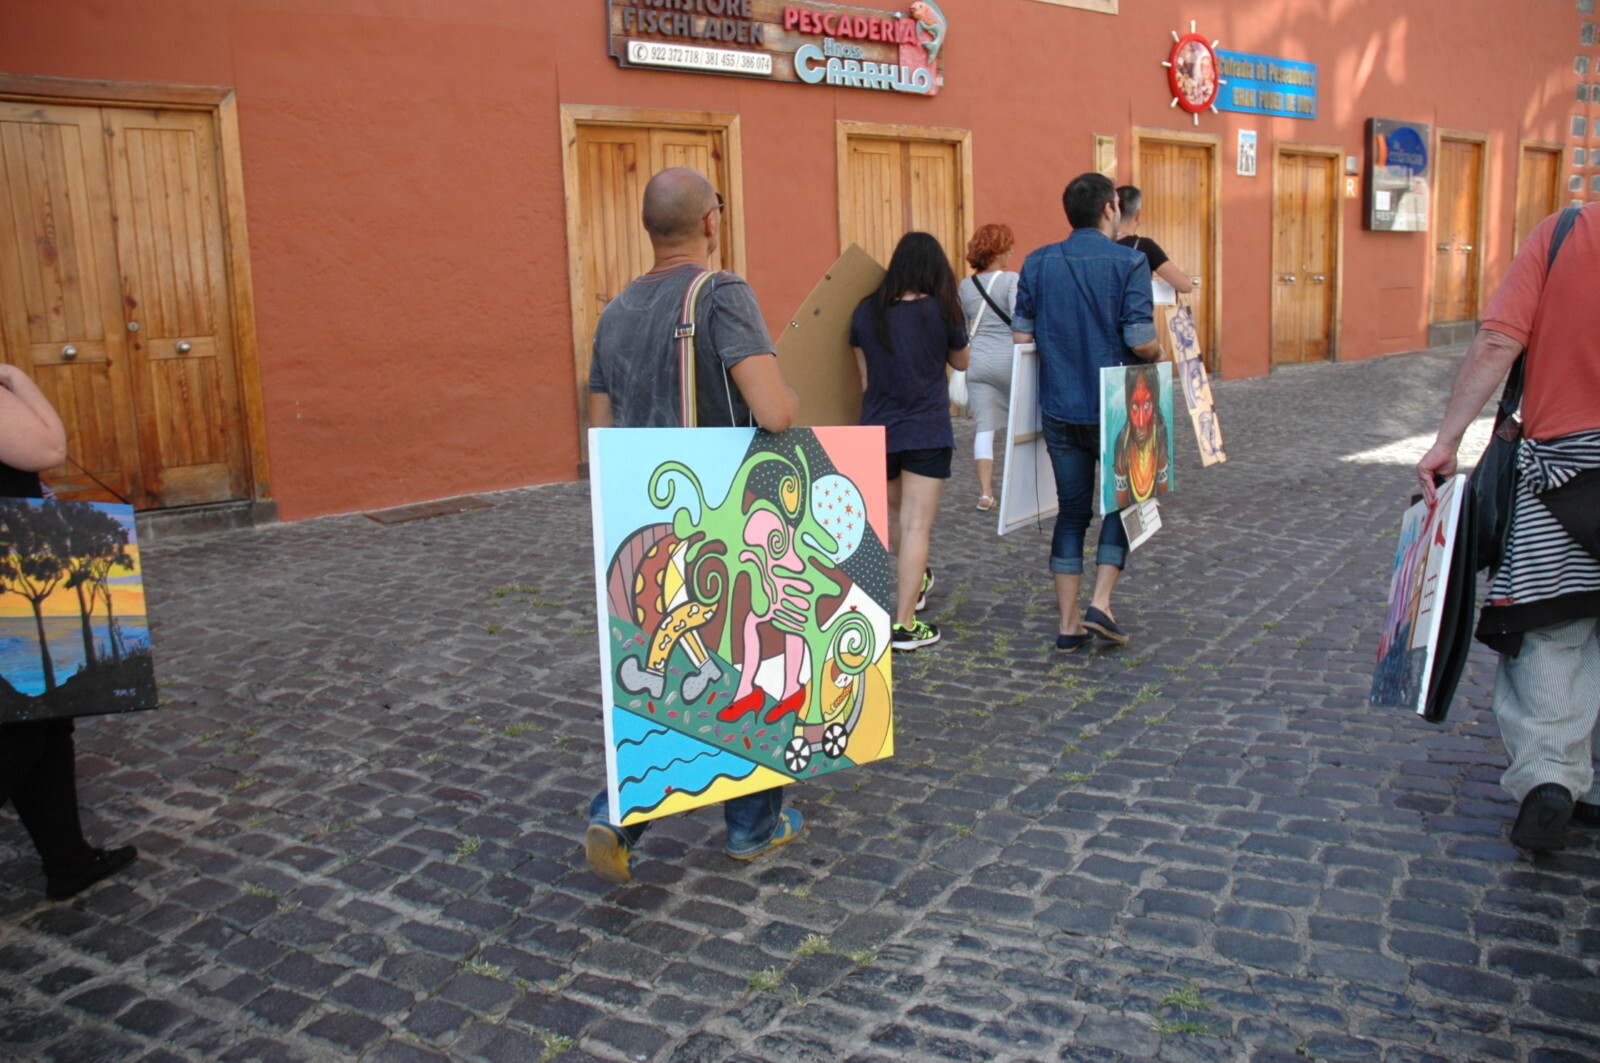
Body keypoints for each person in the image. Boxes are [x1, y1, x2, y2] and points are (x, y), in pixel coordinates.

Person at [584, 167, 803, 884]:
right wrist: (792, 392)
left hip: (647, 518)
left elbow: (599, 429)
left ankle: (618, 813)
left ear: (650, 228)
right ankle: (752, 826)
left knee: (665, 665)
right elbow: (773, 412)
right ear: (711, 220)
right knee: (747, 656)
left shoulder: (614, 313)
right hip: (721, 511)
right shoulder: (721, 294)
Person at [1417, 203, 1600, 852]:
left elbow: (1499, 342)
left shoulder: (1565, 234)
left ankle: (1551, 776)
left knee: (1552, 626)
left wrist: (1447, 441)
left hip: (1562, 473)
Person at [0, 363, 138, 900]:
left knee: (44, 715)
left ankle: (68, 859)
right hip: (13, 560)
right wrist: (15, 376)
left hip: (18, 559)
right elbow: (46, 448)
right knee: (21, 725)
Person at [1012, 173, 1161, 652]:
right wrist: (1159, 353)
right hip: (1118, 405)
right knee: (1126, 500)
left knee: (1071, 512)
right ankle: (1101, 602)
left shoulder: (1037, 262)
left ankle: (1068, 624)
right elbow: (1140, 338)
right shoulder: (1131, 261)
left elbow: (1021, 337)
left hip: (1060, 404)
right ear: (1110, 208)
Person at [850, 232, 969, 651]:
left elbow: (865, 379)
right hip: (926, 429)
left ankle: (915, 583)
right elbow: (961, 362)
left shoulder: (865, 311)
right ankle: (903, 625)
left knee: (898, 520)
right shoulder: (943, 310)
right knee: (916, 524)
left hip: (877, 430)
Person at [959, 224, 1020, 511]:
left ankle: (985, 494)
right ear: (998, 251)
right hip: (1009, 361)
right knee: (1022, 423)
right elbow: (1020, 321)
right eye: (1008, 247)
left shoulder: (965, 286)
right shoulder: (1011, 280)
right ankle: (1021, 488)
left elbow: (961, 329)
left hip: (978, 363)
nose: (1011, 252)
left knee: (984, 428)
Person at [1110, 363, 1171, 509]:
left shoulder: (1158, 434)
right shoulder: (1123, 442)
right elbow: (1122, 506)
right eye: (1134, 406)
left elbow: (1163, 494)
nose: (1141, 421)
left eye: (1147, 404)